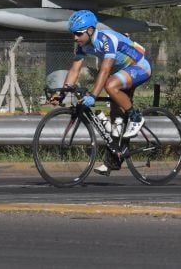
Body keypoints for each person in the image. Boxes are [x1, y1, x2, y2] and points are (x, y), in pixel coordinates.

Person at [56, 10, 151, 175]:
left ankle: (137, 118)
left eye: (78, 34)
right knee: (116, 119)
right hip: (123, 72)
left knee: (110, 85)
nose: (75, 38)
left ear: (90, 30)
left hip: (139, 66)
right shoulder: (83, 46)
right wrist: (63, 93)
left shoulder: (106, 39)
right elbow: (74, 70)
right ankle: (113, 161)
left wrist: (93, 96)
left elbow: (105, 69)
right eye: (73, 34)